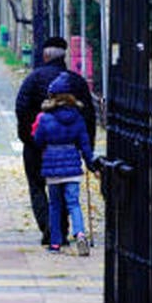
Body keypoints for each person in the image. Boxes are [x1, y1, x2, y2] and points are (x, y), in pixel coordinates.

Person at [15, 36, 96, 245]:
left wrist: (29, 139)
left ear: (44, 55)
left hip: (37, 144)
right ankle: (61, 228)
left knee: (37, 186)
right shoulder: (76, 81)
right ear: (65, 56)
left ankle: (49, 229)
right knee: (67, 191)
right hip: (68, 148)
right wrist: (87, 149)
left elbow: (21, 109)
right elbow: (88, 116)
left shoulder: (33, 79)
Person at [32, 73, 96, 254]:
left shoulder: (45, 118)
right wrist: (90, 164)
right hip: (72, 166)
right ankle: (80, 233)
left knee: (55, 205)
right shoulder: (77, 117)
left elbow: (37, 141)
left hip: (52, 166)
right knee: (73, 203)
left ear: (52, 96)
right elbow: (84, 144)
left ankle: (55, 242)